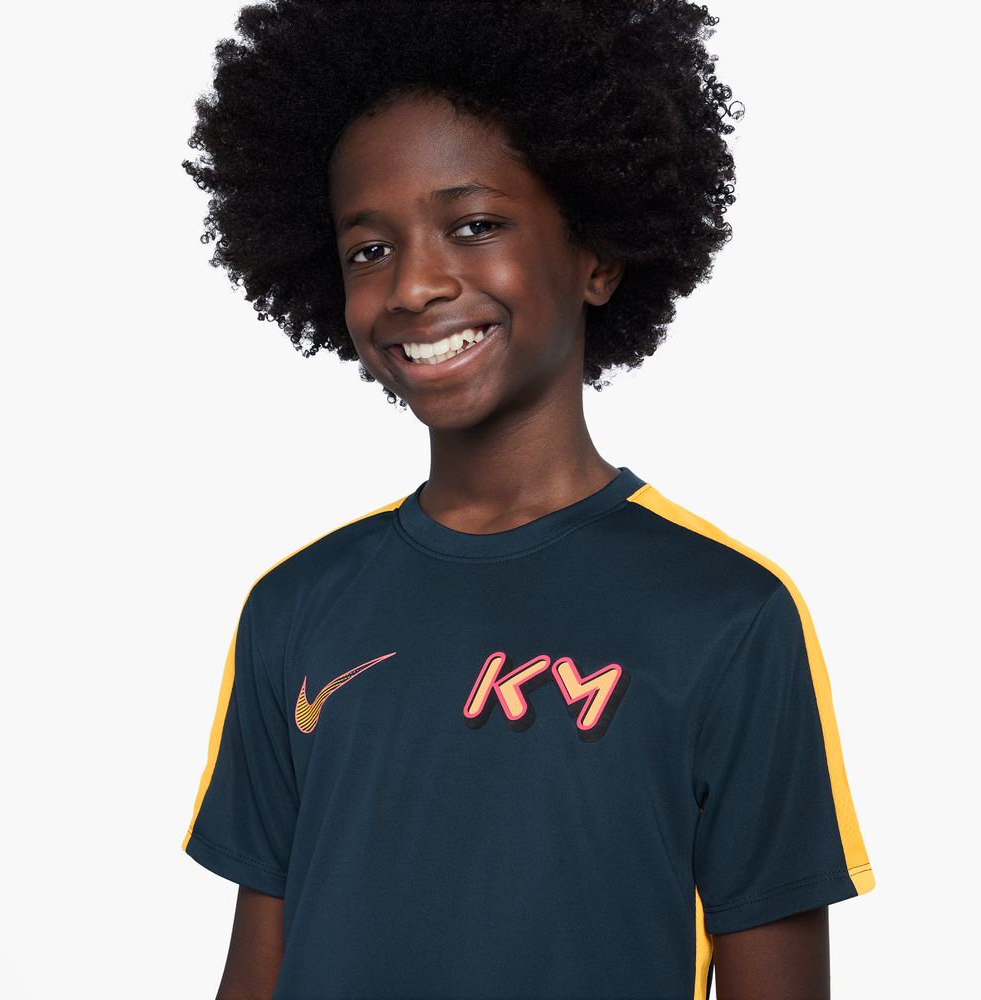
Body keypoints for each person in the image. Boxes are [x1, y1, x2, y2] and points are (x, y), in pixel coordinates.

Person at [179, 2, 875, 997]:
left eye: (473, 226)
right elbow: (259, 965)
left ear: (597, 256)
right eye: (369, 249)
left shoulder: (727, 616)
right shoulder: (294, 608)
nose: (414, 285)